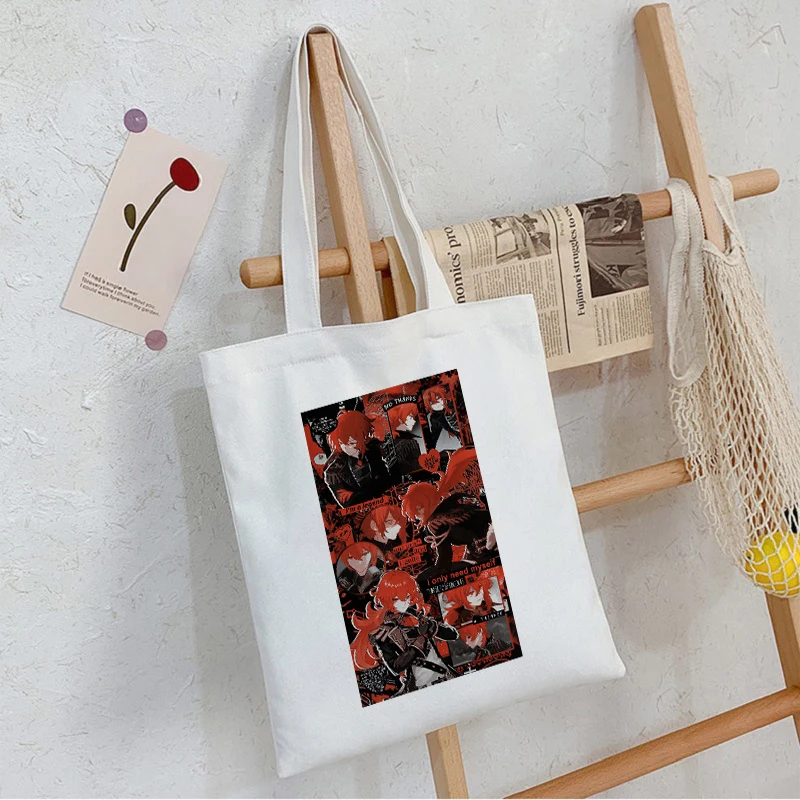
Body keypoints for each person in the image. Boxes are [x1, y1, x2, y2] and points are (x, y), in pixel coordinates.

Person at [351, 570, 458, 694]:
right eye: (397, 599)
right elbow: (395, 667)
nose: (404, 603)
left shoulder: (416, 616)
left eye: (407, 597)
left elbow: (453, 635)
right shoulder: (384, 633)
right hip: (420, 686)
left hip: (446, 676)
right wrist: (417, 644)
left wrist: (430, 626)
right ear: (387, 599)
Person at [323, 410, 388, 507]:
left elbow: (389, 478)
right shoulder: (333, 472)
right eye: (344, 443)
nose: (349, 448)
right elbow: (347, 502)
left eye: (354, 443)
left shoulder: (376, 450)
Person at [422, 386, 460, 452]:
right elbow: (434, 436)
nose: (438, 404)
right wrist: (430, 451)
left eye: (438, 398)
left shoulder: (454, 401)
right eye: (432, 403)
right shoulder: (435, 417)